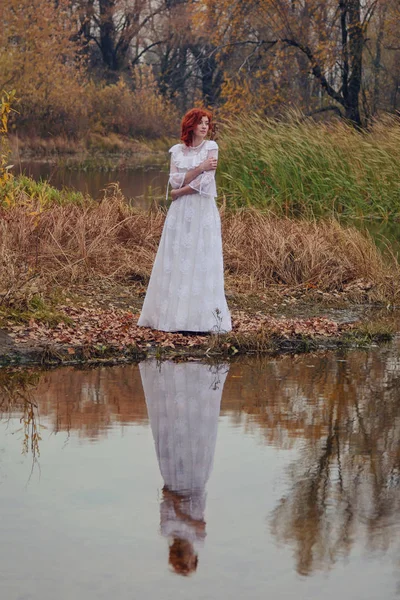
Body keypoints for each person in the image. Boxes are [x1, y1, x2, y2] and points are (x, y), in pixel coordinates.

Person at [137, 108, 232, 333]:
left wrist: (180, 192)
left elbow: (206, 183)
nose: (204, 127)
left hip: (202, 210)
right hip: (180, 213)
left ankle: (201, 319)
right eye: (200, 122)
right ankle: (172, 317)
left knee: (201, 257)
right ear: (190, 125)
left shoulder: (211, 147)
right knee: (178, 258)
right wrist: (198, 168)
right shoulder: (177, 151)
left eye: (207, 123)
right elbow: (174, 182)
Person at [139, 360, 229, 576]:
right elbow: (198, 523)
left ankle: (179, 386)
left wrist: (181, 510)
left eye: (188, 560)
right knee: (197, 439)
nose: (192, 556)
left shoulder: (166, 530)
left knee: (176, 438)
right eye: (192, 560)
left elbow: (166, 494)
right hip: (196, 481)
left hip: (175, 480)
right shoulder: (197, 536)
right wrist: (182, 512)